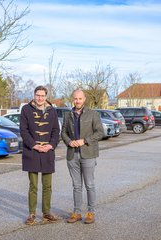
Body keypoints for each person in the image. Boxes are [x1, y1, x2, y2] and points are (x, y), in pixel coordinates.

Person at [61, 89, 104, 224]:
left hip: (88, 154)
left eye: (80, 98)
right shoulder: (68, 115)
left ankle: (91, 212)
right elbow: (63, 133)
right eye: (75, 98)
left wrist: (84, 140)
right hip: (72, 155)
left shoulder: (93, 114)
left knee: (89, 185)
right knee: (76, 185)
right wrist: (69, 141)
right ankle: (77, 212)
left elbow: (99, 132)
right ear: (72, 99)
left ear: (84, 99)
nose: (77, 101)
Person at [20, 85, 60, 225]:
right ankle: (31, 213)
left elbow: (56, 131)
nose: (40, 98)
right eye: (38, 95)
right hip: (32, 152)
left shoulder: (52, 111)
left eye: (43, 96)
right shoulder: (26, 109)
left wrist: (51, 145)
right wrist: (34, 145)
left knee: (47, 186)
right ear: (34, 95)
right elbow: (23, 130)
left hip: (48, 152)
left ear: (46, 97)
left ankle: (46, 212)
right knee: (33, 186)